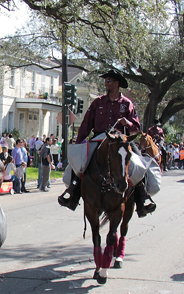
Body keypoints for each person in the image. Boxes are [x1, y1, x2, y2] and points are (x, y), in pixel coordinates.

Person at [61, 69, 156, 217]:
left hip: (121, 141)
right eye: (105, 80)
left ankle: (142, 198)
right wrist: (79, 143)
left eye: (109, 81)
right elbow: (86, 124)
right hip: (99, 139)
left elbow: (136, 127)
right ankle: (72, 193)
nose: (106, 83)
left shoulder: (127, 104)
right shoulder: (98, 102)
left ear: (117, 83)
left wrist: (127, 123)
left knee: (139, 164)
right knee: (80, 162)